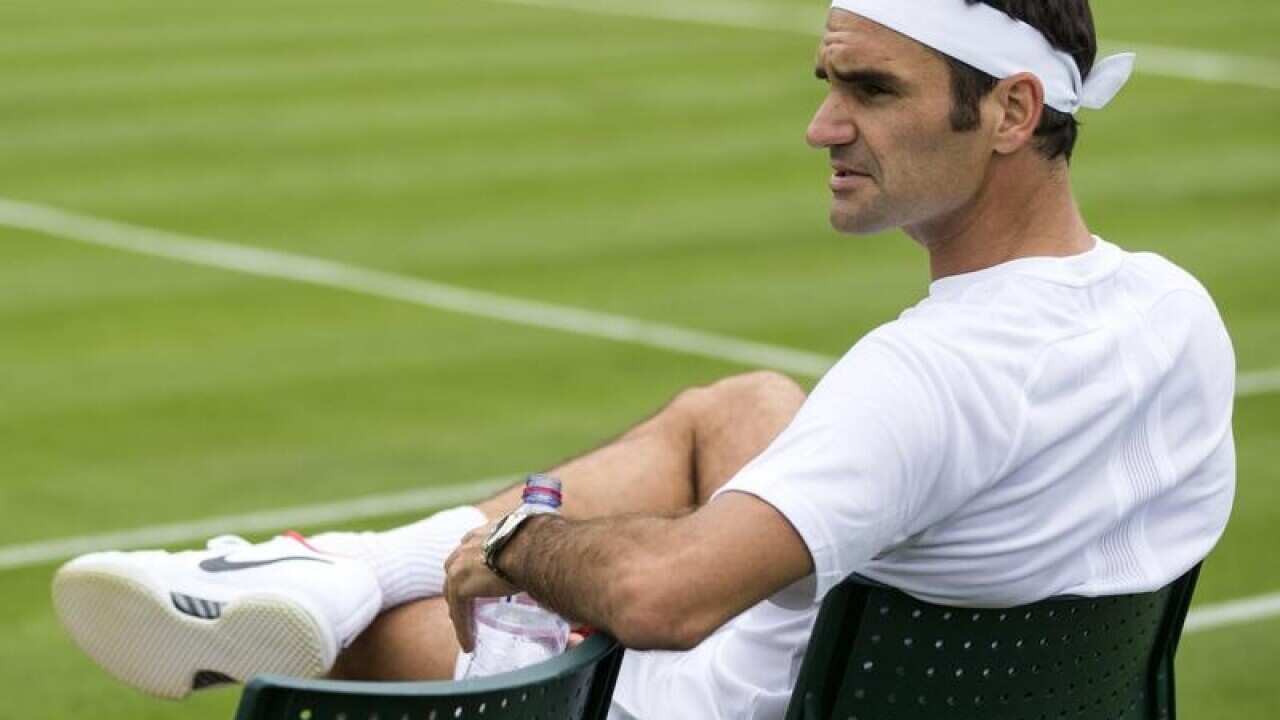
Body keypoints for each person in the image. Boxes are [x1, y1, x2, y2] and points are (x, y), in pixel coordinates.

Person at [52, 0, 1236, 717]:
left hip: (700, 707)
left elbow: (659, 600)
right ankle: (342, 562)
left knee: (375, 636)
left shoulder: (926, 376)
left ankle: (341, 583)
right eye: (828, 82)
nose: (823, 126)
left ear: (1012, 112)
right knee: (747, 407)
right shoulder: (1172, 311)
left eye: (871, 90)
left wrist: (514, 547)